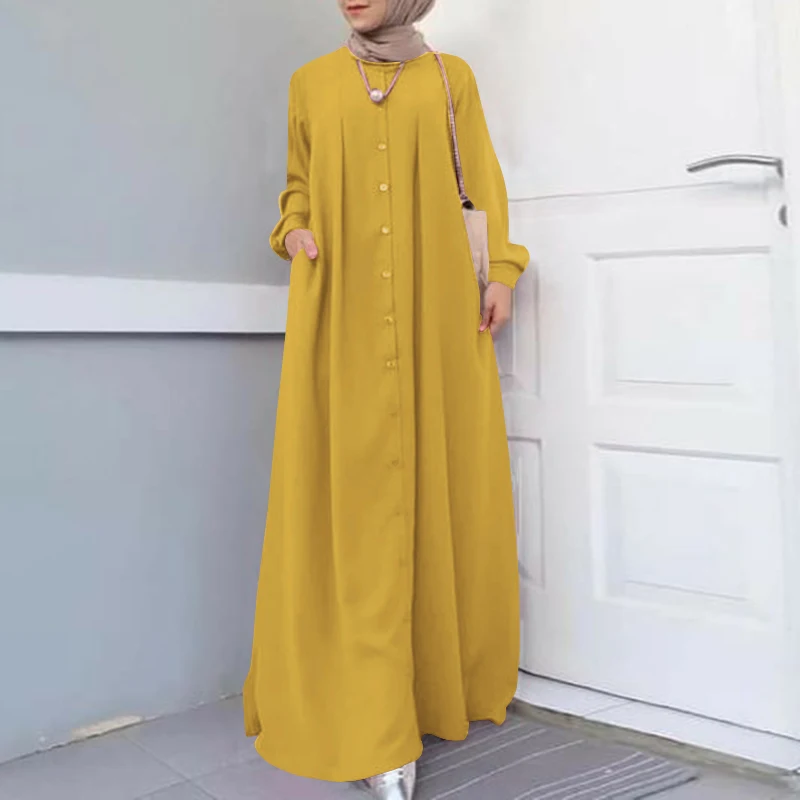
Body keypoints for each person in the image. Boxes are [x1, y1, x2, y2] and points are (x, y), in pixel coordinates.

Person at [243, 0, 530, 797]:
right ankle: (374, 723)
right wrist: (294, 230)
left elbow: (481, 182)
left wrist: (502, 273)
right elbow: (296, 188)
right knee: (357, 506)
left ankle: (424, 692)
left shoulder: (449, 79)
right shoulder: (310, 83)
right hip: (339, 314)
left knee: (435, 489)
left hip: (437, 311)